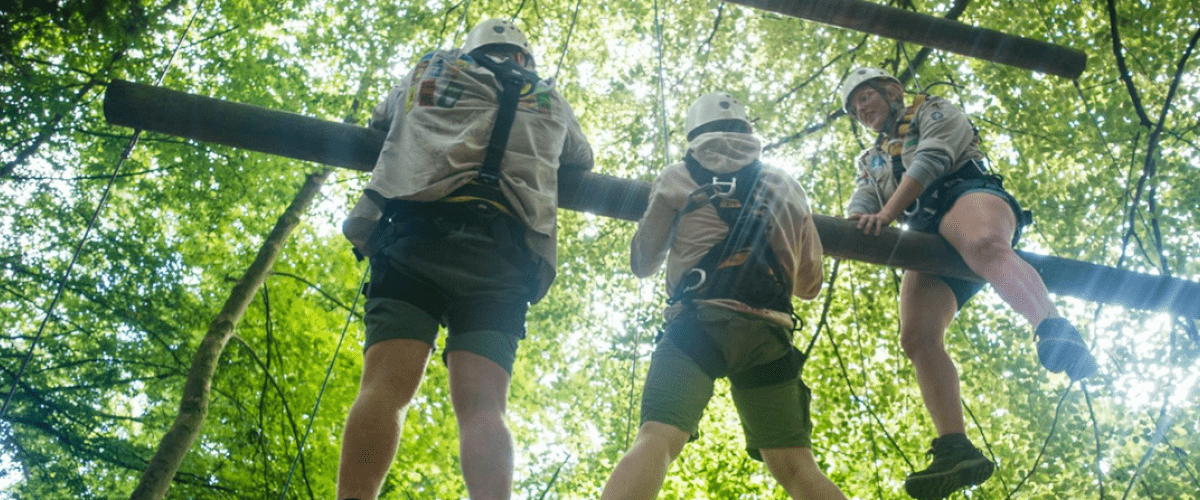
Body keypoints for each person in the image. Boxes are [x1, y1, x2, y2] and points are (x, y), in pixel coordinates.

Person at [336, 19, 592, 500]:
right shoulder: (549, 99)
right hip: (503, 258)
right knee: (484, 408)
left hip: (419, 238)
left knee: (385, 391)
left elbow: (381, 118)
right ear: (523, 58)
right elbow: (581, 157)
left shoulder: (431, 68)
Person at [837, 67, 1098, 500]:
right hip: (925, 231)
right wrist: (853, 224)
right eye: (854, 107)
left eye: (867, 97)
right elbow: (865, 199)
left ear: (893, 91)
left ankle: (1054, 329)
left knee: (985, 246)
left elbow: (934, 158)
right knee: (917, 337)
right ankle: (955, 447)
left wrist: (888, 215)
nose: (862, 109)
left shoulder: (933, 109)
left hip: (966, 195)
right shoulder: (871, 159)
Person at [600, 92, 848, 500]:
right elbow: (809, 286)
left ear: (694, 134)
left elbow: (643, 262)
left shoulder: (679, 175)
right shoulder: (785, 184)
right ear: (748, 132)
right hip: (768, 335)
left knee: (658, 438)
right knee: (796, 466)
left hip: (697, 325)